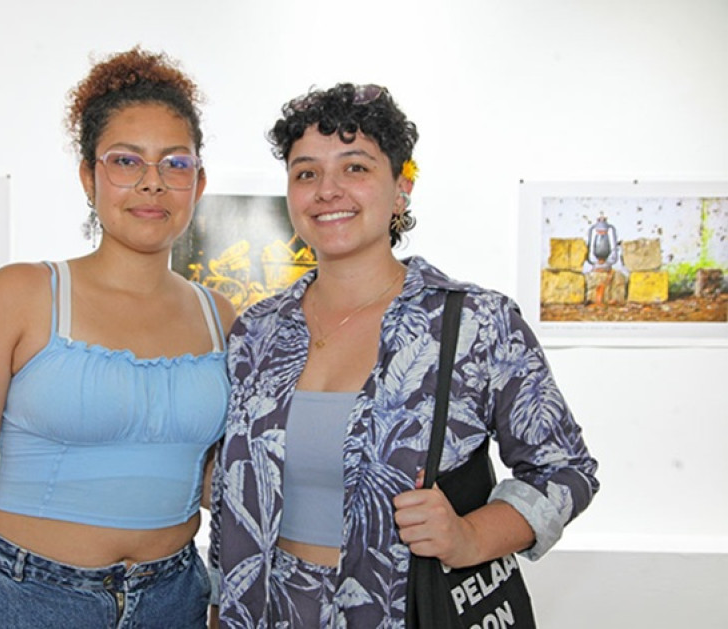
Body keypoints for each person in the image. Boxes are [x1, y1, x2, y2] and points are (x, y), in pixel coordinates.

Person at [209, 83, 599, 627]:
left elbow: (565, 470)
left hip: (400, 611)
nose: (327, 190)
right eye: (306, 173)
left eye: (355, 168)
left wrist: (469, 537)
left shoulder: (475, 323)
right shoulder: (257, 332)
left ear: (400, 188)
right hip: (264, 614)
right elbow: (234, 500)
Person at [0, 47, 235, 628]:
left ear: (198, 181)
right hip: (26, 597)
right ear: (89, 176)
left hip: (175, 598)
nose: (152, 183)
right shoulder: (21, 296)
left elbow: (218, 482)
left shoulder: (221, 317)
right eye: (126, 161)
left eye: (174, 163)